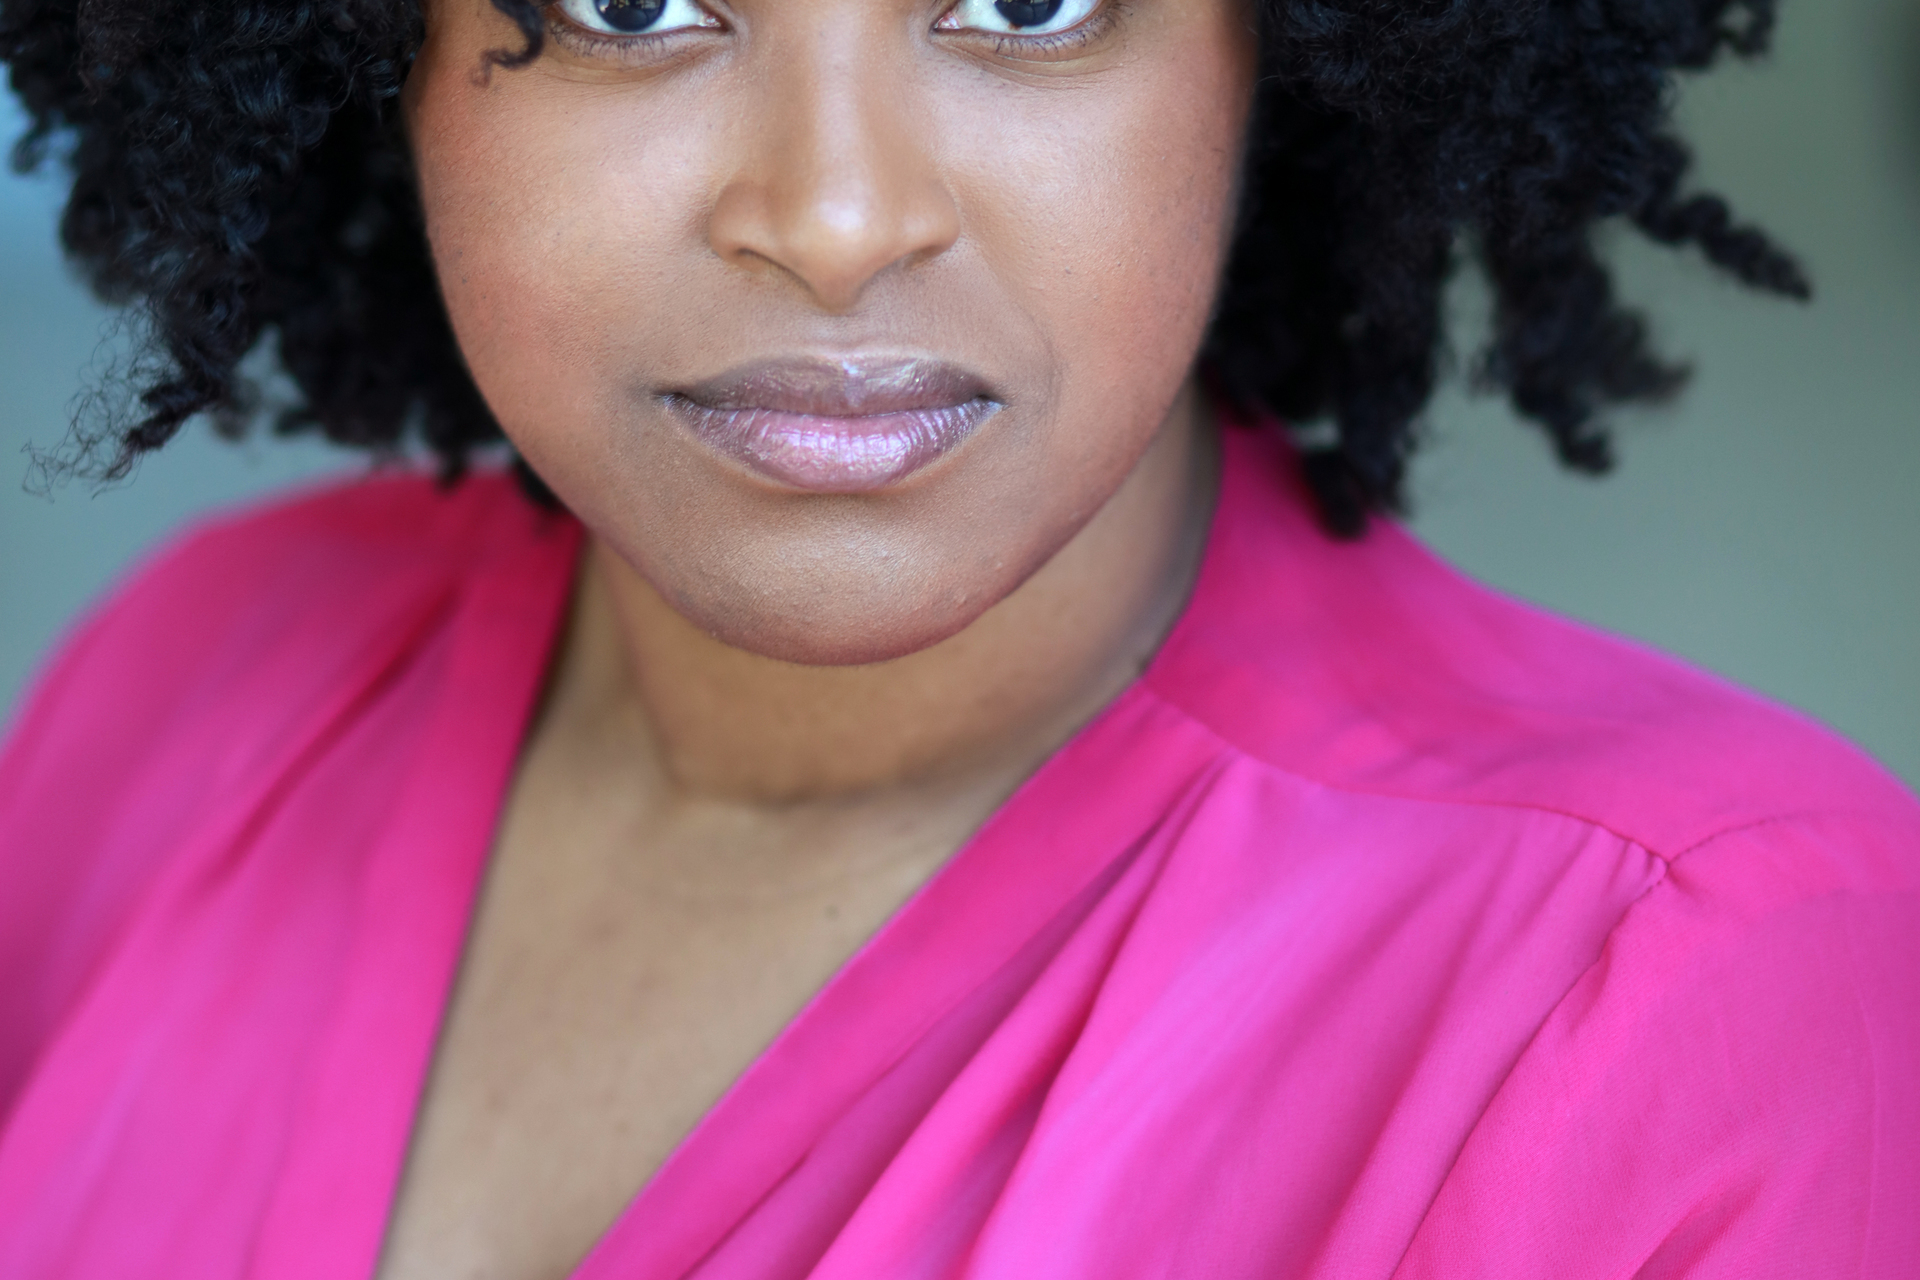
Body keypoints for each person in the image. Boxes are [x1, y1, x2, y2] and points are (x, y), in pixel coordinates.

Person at [1, 0, 1916, 1275]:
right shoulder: (205, 677)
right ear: (375, 52)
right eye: (633, 2)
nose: (836, 217)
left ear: (1271, 55)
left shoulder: (1697, 982)